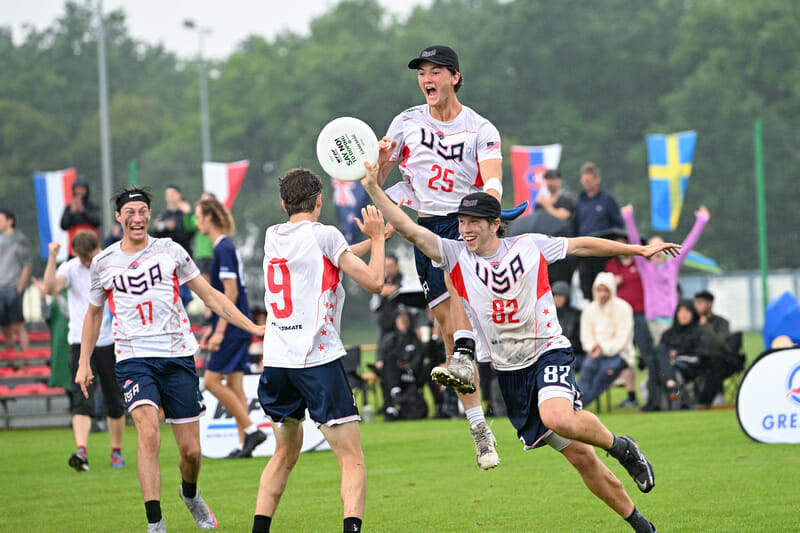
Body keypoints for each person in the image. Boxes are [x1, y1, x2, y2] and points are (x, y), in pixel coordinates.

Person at [362, 162, 679, 531]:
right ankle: (642, 525)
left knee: (558, 417)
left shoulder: (529, 246)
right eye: (462, 222)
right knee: (580, 457)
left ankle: (623, 447)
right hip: (510, 373)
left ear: (494, 224)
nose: (464, 229)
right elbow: (409, 229)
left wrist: (639, 250)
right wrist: (372, 187)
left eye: (473, 222)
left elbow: (583, 244)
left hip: (548, 350)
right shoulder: (454, 255)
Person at [75, 187, 265, 533]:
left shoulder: (170, 250)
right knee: (148, 434)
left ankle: (190, 494)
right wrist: (84, 362)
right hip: (133, 357)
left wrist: (252, 326)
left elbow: (210, 295)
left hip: (178, 356)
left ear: (149, 215)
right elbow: (93, 315)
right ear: (119, 217)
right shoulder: (104, 262)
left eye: (143, 211)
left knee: (191, 452)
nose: (137, 218)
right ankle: (155, 523)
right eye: (130, 212)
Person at [375, 44, 502, 469]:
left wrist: (488, 211)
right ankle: (479, 427)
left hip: (467, 225)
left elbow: (494, 179)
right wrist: (372, 164)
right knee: (449, 335)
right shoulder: (406, 122)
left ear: (455, 77)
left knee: (461, 328)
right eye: (421, 73)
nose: (427, 79)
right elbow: (377, 179)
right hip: (425, 228)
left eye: (435, 71)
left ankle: (488, 357)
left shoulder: (480, 127)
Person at [252, 168, 386, 533]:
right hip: (316, 360)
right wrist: (377, 239)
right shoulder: (325, 234)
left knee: (284, 454)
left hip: (277, 362)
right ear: (320, 200)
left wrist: (372, 242)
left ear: (283, 204)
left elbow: (330, 257)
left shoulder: (272, 235)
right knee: (351, 458)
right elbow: (374, 281)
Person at [42, 231, 126, 471]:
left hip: (110, 340)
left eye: (91, 257)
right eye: (84, 259)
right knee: (81, 399)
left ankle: (116, 452)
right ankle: (82, 451)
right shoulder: (70, 268)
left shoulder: (112, 262)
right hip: (80, 341)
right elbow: (49, 288)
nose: (89, 263)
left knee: (114, 399)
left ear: (98, 247)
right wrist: (51, 258)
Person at [194, 197, 266, 458]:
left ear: (209, 218)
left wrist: (221, 329)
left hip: (234, 327)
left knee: (212, 381)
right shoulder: (224, 247)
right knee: (235, 386)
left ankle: (251, 429)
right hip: (234, 326)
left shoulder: (222, 248)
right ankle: (245, 442)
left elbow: (231, 293)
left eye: (199, 215)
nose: (196, 220)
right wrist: (216, 327)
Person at [621, 204, 709, 347]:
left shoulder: (672, 265)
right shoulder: (645, 267)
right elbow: (634, 242)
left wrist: (701, 220)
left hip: (674, 316)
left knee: (677, 350)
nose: (658, 251)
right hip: (655, 318)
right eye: (654, 247)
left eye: (660, 247)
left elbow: (687, 245)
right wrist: (628, 218)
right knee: (665, 350)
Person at [605, 231, 653, 408]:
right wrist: (612, 282)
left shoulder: (640, 263)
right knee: (625, 354)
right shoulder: (611, 265)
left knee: (646, 353)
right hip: (620, 317)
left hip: (640, 313)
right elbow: (604, 287)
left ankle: (650, 391)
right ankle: (631, 394)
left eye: (623, 243)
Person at [511, 169, 577, 285]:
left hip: (562, 251)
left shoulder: (566, 200)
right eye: (548, 180)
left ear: (559, 181)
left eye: (552, 179)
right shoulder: (540, 202)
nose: (550, 183)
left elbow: (564, 216)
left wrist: (547, 205)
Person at [578, 273, 635, 407]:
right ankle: (576, 405)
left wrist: (602, 348)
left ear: (612, 290)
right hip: (595, 353)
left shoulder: (624, 308)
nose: (602, 294)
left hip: (619, 355)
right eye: (599, 290)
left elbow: (623, 338)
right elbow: (585, 335)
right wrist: (592, 347)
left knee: (602, 377)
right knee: (586, 371)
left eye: (606, 290)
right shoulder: (589, 309)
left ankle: (579, 407)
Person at [640, 300, 704, 412]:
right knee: (655, 357)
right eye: (681, 311)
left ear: (692, 314)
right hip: (668, 364)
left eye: (687, 311)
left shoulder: (698, 331)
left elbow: (700, 352)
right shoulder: (669, 333)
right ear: (676, 314)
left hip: (689, 364)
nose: (684, 315)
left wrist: (677, 352)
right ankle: (669, 382)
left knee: (657, 359)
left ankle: (653, 402)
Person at [573, 162, 624, 300]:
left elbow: (619, 225)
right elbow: (576, 226)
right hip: (585, 252)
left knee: (604, 286)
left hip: (603, 253)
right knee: (587, 289)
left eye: (589, 180)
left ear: (597, 179)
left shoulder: (607, 200)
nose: (586, 184)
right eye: (584, 181)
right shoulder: (581, 201)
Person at [377, 307, 427, 421]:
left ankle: (391, 403)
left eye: (405, 317)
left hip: (411, 373)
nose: (403, 320)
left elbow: (419, 357)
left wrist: (409, 366)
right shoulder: (391, 338)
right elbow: (388, 356)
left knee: (387, 375)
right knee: (388, 365)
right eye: (400, 318)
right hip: (395, 372)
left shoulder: (415, 338)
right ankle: (393, 397)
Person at [693, 290, 740, 407]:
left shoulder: (722, 323)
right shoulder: (693, 323)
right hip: (699, 361)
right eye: (696, 303)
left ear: (710, 304)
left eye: (700, 302)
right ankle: (706, 397)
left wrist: (706, 326)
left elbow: (719, 343)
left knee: (716, 360)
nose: (697, 306)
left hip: (722, 361)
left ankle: (703, 401)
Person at [151, 184, 195, 307]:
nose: (169, 197)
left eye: (172, 194)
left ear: (179, 195)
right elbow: (156, 234)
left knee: (184, 294)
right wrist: (163, 226)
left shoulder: (185, 214)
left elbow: (190, 233)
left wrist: (176, 227)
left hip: (184, 257)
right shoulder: (163, 214)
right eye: (167, 195)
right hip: (167, 259)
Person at [0, 209, 32, 353]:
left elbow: (27, 265)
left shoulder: (20, 239)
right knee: (5, 328)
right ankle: (11, 363)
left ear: (10, 220)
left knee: (18, 326)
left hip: (13, 288)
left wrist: (19, 288)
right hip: (1, 289)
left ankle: (26, 363)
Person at [60, 178, 102, 256]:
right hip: (74, 249)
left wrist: (83, 210)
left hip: (92, 248)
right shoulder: (69, 208)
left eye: (82, 189)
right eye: (77, 189)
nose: (79, 192)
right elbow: (63, 226)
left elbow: (97, 222)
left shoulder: (92, 206)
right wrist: (71, 213)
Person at [184, 192, 217, 281]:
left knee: (212, 281)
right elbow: (190, 226)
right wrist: (187, 214)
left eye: (206, 200)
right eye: (202, 200)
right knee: (204, 280)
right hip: (201, 253)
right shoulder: (198, 217)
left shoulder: (214, 216)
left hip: (212, 253)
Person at [552, 281, 584, 370]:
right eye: (555, 296)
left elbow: (579, 341)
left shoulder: (576, 315)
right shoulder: (547, 315)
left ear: (566, 297)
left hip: (572, 353)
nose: (557, 299)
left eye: (561, 296)